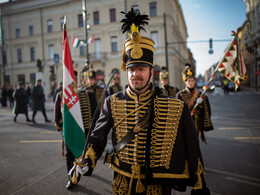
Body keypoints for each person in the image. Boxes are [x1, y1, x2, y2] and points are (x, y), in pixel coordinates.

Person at [73, 9, 210, 194]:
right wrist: (88, 159)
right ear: (126, 71)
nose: (135, 74)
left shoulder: (176, 106)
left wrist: (199, 182)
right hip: (123, 182)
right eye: (131, 69)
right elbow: (97, 137)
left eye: (141, 69)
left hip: (158, 185)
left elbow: (193, 147)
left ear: (150, 71)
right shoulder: (111, 102)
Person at [54, 69, 97, 190]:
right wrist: (61, 128)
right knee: (70, 155)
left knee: (87, 153)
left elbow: (95, 114)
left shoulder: (88, 94)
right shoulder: (61, 95)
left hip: (86, 131)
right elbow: (57, 115)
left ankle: (88, 168)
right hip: (70, 132)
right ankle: (73, 178)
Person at [176, 66, 213, 143]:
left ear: (194, 81)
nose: (191, 83)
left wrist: (201, 103)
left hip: (196, 123)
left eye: (192, 80)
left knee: (195, 141)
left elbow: (207, 110)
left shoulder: (200, 94)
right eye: (189, 81)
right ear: (185, 82)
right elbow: (177, 111)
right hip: (185, 123)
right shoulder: (180, 95)